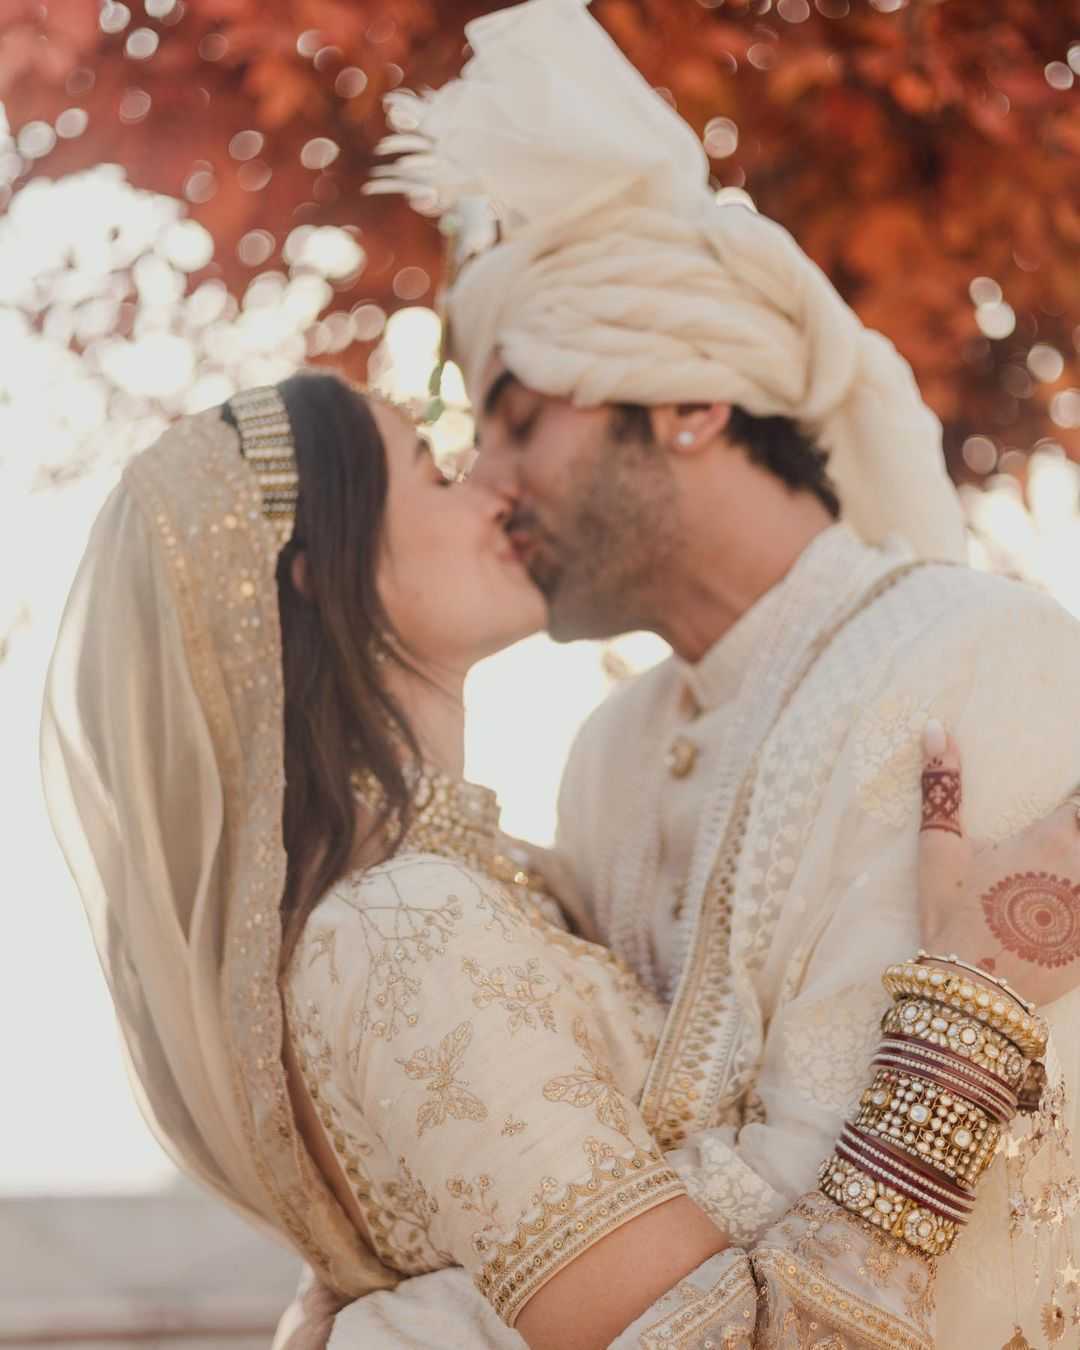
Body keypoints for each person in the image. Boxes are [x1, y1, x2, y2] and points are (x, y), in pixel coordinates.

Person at [306, 2, 1080, 1346]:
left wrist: (423, 1318)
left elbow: (988, 1230)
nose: (490, 485)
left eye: (523, 421)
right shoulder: (607, 753)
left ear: (689, 402)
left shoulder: (982, 657)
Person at [42, 369, 1079, 1350]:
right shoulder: (397, 929)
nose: (495, 488)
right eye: (435, 471)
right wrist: (961, 1022)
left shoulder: (497, 883)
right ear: (318, 572)